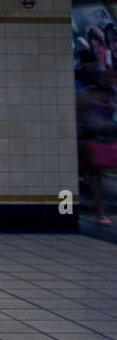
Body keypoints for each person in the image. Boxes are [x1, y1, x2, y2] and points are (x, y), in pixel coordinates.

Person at [77, 46, 114, 226]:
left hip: (104, 139)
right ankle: (68, 209)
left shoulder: (110, 94)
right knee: (96, 176)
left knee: (97, 176)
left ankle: (98, 211)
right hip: (91, 139)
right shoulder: (87, 93)